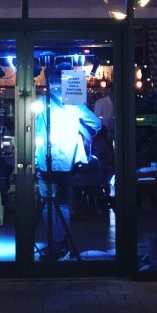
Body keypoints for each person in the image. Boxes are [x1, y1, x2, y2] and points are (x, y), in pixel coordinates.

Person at [34, 70, 101, 260]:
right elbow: (96, 124)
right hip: (65, 163)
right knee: (63, 203)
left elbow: (34, 129)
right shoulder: (74, 103)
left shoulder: (41, 102)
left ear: (47, 82)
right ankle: (61, 242)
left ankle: (52, 243)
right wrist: (79, 127)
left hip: (44, 161)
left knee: (47, 203)